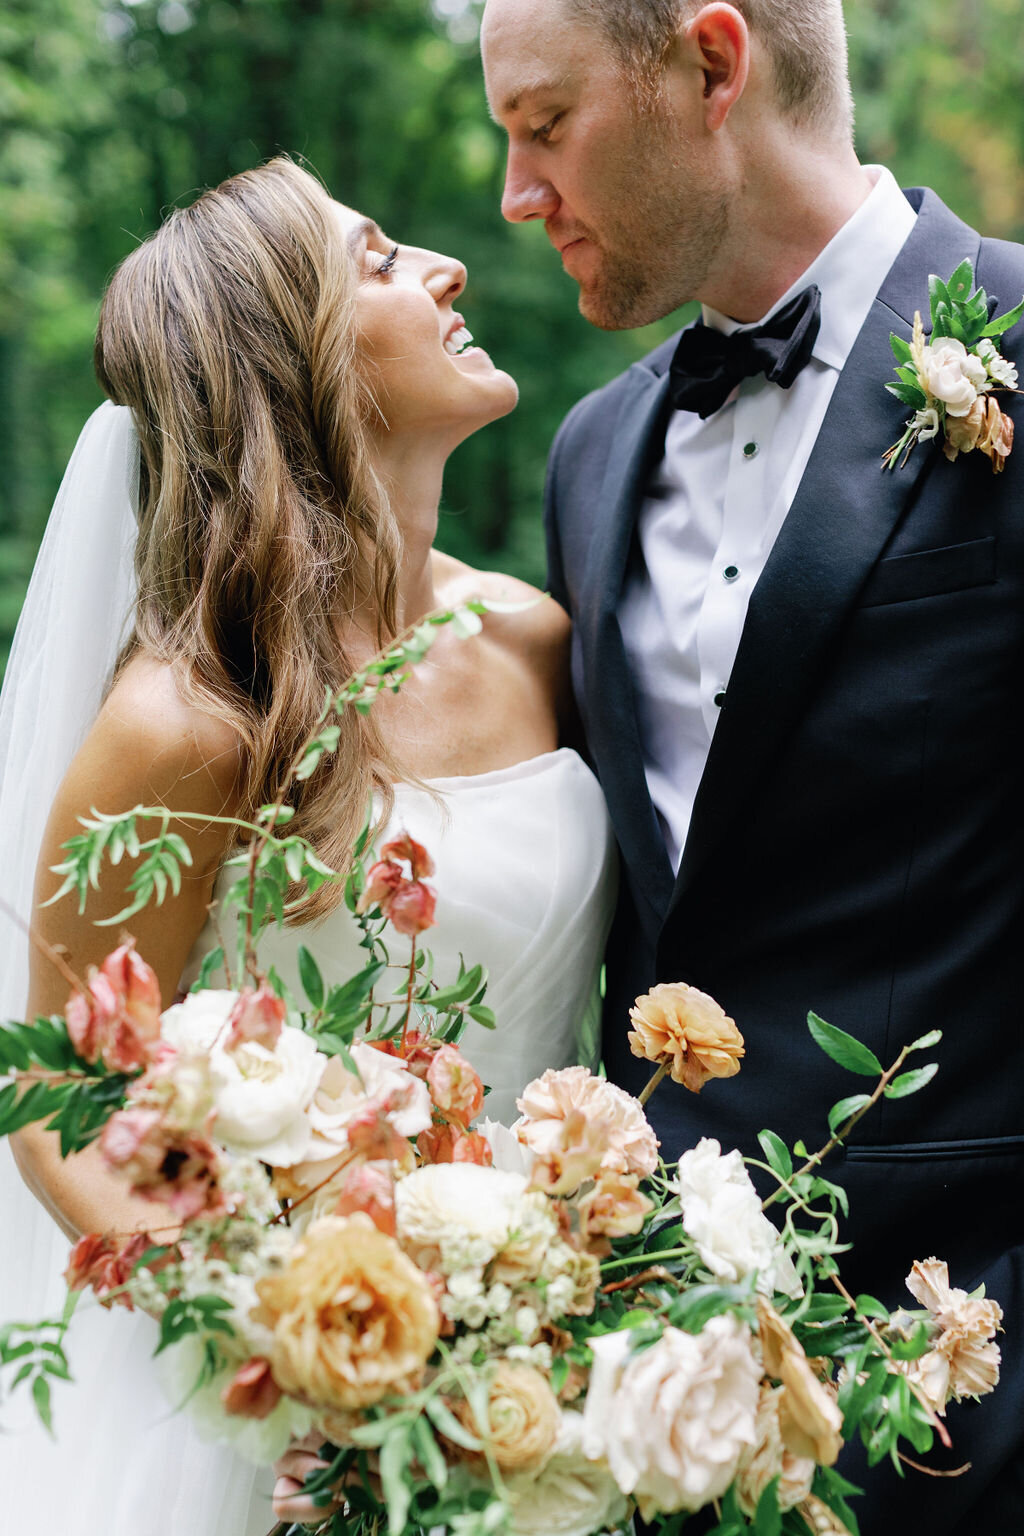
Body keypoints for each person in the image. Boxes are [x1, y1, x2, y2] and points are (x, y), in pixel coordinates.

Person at [0, 156, 617, 1535]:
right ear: (294, 357)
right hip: (283, 1439)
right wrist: (303, 1367)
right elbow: (57, 1100)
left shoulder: (538, 640)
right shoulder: (187, 722)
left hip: (553, 1388)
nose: (446, 269)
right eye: (383, 258)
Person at [480, 1, 1024, 1531]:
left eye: (543, 124)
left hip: (968, 1393)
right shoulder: (590, 454)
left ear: (712, 68)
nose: (517, 194)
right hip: (656, 1410)